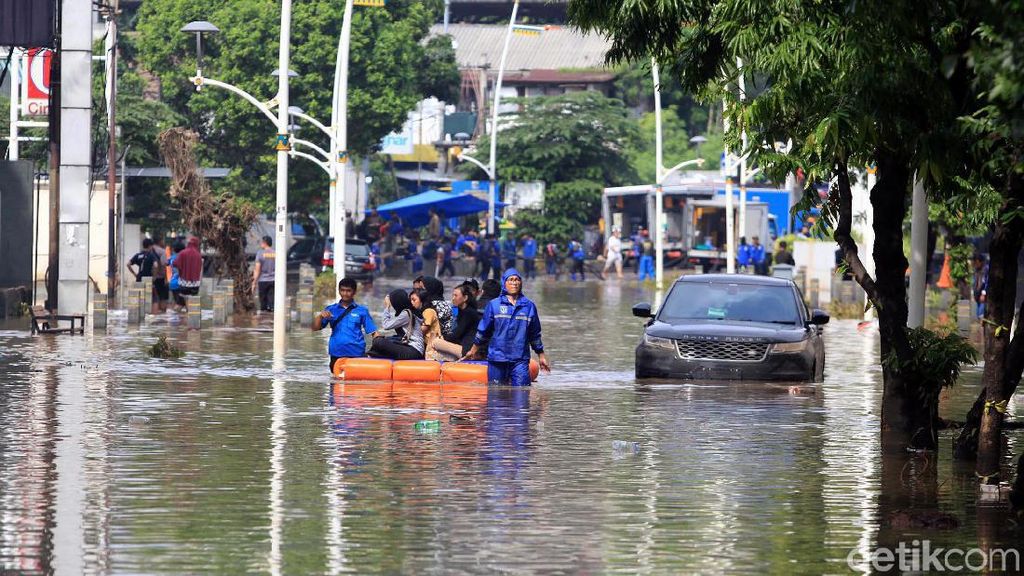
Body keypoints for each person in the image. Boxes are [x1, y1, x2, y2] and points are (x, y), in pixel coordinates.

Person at [463, 268, 550, 386]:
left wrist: (541, 356)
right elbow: (483, 331)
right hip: (497, 358)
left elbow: (534, 334)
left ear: (521, 283)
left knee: (521, 395)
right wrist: (473, 350)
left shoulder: (529, 306)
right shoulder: (494, 305)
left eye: (517, 280)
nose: (514, 283)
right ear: (504, 283)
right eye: (511, 280)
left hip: (520, 359)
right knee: (496, 394)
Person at [312, 277, 378, 374]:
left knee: (356, 384)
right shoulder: (331, 309)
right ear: (338, 291)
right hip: (336, 353)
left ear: (354, 292)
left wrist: (380, 345)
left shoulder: (362, 311)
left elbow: (373, 332)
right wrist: (320, 316)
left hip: (357, 354)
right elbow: (315, 328)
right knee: (335, 385)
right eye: (342, 290)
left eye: (348, 291)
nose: (345, 293)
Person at [430, 283, 481, 361]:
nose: (453, 298)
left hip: (467, 350)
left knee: (436, 342)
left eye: (456, 296)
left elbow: (457, 334)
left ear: (465, 298)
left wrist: (443, 337)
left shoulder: (469, 313)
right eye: (452, 295)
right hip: (463, 347)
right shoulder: (462, 311)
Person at [368, 289, 424, 360]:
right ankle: (373, 355)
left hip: (413, 351)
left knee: (378, 341)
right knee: (387, 339)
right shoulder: (411, 311)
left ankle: (371, 355)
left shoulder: (406, 314)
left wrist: (387, 307)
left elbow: (386, 325)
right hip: (411, 349)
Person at [411, 289, 444, 361]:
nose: (411, 303)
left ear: (422, 300)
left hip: (430, 346)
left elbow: (423, 330)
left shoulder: (429, 311)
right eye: (410, 300)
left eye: (414, 300)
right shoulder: (420, 312)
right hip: (424, 344)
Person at [173, 237, 203, 304]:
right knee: (192, 304)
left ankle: (182, 313)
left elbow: (175, 264)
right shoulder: (198, 255)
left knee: (182, 303)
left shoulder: (183, 253)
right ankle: (188, 313)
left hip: (184, 282)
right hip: (195, 283)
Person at [252, 235, 276, 312]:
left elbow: (257, 269)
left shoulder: (260, 254)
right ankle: (271, 321)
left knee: (263, 304)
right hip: (273, 280)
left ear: (265, 243)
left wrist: (254, 282)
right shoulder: (276, 253)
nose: (261, 244)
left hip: (262, 281)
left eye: (262, 242)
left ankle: (263, 321)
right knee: (271, 303)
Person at [168, 241, 186, 311]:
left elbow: (166, 263)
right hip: (180, 283)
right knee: (181, 304)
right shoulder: (182, 258)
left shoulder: (171, 257)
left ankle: (177, 319)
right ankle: (173, 318)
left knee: (178, 303)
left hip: (172, 283)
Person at [973, 254, 988, 318]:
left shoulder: (986, 270)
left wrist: (983, 294)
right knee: (978, 315)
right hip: (977, 295)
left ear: (980, 262)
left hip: (983, 296)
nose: (975, 264)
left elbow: (986, 282)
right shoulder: (977, 270)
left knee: (981, 315)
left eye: (976, 262)